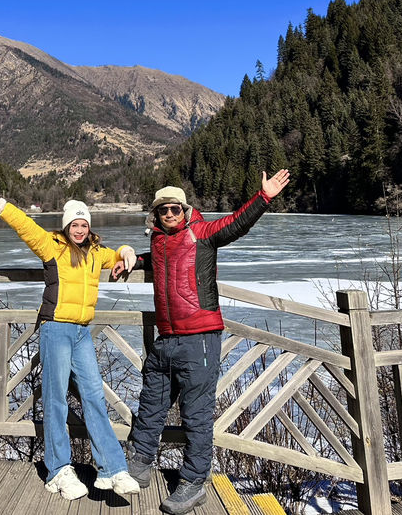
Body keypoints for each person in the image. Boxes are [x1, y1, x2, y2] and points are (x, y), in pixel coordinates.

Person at [114, 170, 290, 515]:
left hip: (200, 339)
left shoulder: (202, 233)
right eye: (163, 210)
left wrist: (263, 197)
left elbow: (236, 224)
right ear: (155, 214)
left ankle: (194, 483)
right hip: (167, 338)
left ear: (184, 210)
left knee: (196, 415)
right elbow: (161, 261)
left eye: (174, 209)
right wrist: (134, 261)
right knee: (151, 403)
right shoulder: (159, 241)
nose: (169, 214)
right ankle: (139, 463)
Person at [0, 193, 141, 501]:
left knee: (94, 396)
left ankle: (112, 469)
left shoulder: (95, 252)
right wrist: (1, 207)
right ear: (66, 227)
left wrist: (126, 251)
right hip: (56, 329)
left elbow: (115, 254)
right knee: (56, 399)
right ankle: (58, 470)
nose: (80, 230)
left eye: (84, 224)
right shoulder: (53, 246)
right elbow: (26, 227)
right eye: (75, 225)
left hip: (82, 332)